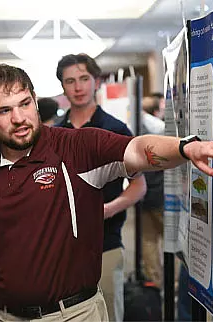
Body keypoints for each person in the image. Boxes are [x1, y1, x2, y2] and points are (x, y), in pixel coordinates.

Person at [0, 63, 213, 322]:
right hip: (3, 316)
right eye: (4, 111)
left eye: (25, 104)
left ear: (35, 100)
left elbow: (137, 149)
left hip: (72, 314)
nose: (19, 118)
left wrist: (185, 147)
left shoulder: (76, 148)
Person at [56, 53, 146, 321]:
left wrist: (107, 209)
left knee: (107, 311)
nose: (78, 87)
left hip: (105, 242)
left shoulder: (115, 129)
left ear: (96, 82)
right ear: (62, 87)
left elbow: (138, 186)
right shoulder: (56, 132)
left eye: (84, 78)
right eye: (70, 81)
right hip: (62, 247)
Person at [140, 95, 166, 289]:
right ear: (156, 111)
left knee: (148, 239)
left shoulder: (135, 125)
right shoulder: (159, 129)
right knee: (173, 239)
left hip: (142, 193)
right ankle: (175, 282)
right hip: (160, 193)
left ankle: (154, 283)